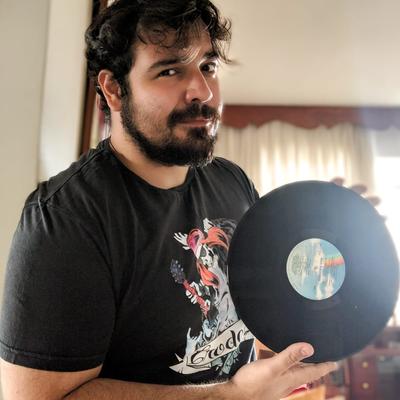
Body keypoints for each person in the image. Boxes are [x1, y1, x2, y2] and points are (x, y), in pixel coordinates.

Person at [0, 0, 336, 399]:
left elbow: (261, 305)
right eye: (170, 70)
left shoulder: (232, 181)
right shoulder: (65, 218)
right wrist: (230, 395)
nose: (203, 90)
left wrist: (338, 242)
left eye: (208, 66)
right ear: (114, 89)